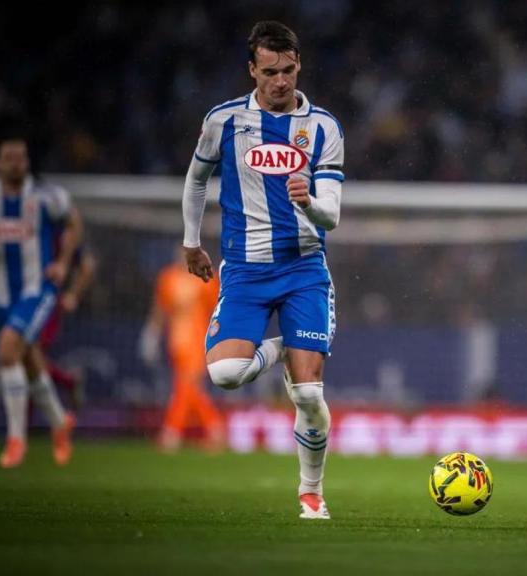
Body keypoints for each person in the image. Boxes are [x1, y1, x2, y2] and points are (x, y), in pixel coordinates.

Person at [182, 21, 343, 520]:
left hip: (303, 269)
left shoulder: (323, 127)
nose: (280, 81)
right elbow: (196, 179)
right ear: (252, 70)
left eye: (288, 70)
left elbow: (332, 216)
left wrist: (309, 202)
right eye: (270, 72)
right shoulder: (224, 120)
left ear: (299, 66)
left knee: (309, 394)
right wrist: (191, 241)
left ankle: (311, 493)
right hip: (245, 271)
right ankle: (283, 348)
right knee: (225, 374)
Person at [0, 137, 79, 468]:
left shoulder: (46, 197)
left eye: (21, 157)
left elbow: (73, 223)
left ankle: (15, 438)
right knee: (28, 357)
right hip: (0, 294)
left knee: (7, 349)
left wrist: (63, 263)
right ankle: (60, 422)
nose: (16, 163)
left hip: (39, 289)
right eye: (9, 157)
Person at [140, 245, 224, 452]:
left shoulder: (205, 277)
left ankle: (172, 432)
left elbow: (218, 308)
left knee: (186, 385)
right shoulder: (168, 278)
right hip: (176, 340)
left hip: (198, 339)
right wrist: (152, 333)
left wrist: (219, 337)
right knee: (189, 388)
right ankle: (215, 429)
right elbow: (160, 308)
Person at [38, 243, 96, 409]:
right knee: (27, 360)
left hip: (47, 304)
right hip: (21, 302)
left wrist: (73, 295)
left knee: (31, 356)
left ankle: (67, 385)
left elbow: (87, 265)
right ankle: (68, 381)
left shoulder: (58, 236)